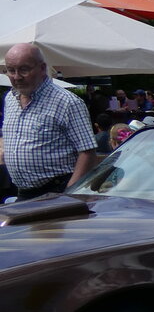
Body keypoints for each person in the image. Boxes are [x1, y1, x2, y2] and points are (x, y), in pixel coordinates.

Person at [0, 43, 98, 199]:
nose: (17, 76)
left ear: (42, 68)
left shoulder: (67, 102)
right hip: (23, 192)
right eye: (11, 70)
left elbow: (87, 152)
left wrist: (69, 194)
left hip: (57, 191)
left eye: (24, 70)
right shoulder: (10, 99)